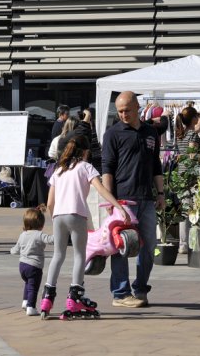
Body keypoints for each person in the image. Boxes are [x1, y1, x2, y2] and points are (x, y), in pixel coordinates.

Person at [40, 135, 130, 319]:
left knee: (58, 255)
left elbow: (50, 202)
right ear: (86, 151)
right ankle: (74, 297)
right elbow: (102, 189)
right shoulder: (86, 167)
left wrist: (55, 217)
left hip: (58, 215)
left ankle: (47, 298)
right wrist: (119, 206)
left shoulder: (58, 171)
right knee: (80, 255)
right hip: (77, 214)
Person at [101, 91, 165, 308]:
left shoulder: (150, 132)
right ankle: (120, 293)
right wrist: (111, 201)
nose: (123, 115)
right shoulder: (113, 133)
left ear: (137, 107)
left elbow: (156, 165)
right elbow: (107, 168)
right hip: (123, 200)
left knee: (149, 247)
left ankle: (140, 288)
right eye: (119, 111)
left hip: (147, 198)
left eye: (127, 110)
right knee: (122, 246)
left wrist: (161, 193)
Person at [10, 205, 54, 316]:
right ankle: (31, 307)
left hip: (22, 266)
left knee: (28, 284)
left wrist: (11, 251)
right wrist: (61, 234)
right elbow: (51, 240)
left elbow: (16, 249)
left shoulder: (23, 235)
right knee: (33, 287)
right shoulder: (40, 235)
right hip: (34, 266)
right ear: (41, 225)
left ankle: (25, 301)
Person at [175, 106, 200, 254]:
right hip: (190, 176)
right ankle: (191, 243)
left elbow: (183, 154)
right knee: (193, 211)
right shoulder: (192, 134)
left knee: (184, 211)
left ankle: (183, 244)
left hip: (180, 174)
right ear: (193, 119)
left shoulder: (180, 134)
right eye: (197, 116)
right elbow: (192, 155)